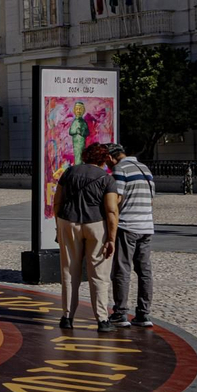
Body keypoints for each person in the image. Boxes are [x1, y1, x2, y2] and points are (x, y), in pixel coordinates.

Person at [52, 141, 120, 331]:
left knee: (69, 271)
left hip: (68, 222)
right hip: (96, 225)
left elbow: (57, 202)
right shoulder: (107, 179)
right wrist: (111, 239)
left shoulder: (70, 172)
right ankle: (102, 319)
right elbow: (111, 211)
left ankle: (67, 317)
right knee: (99, 272)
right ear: (104, 159)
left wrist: (59, 227)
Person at [107, 143, 155, 329]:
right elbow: (150, 200)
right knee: (144, 271)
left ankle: (120, 313)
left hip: (127, 225)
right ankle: (144, 313)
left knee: (122, 269)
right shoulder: (145, 168)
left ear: (112, 158)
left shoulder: (120, 169)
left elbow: (116, 199)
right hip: (146, 226)